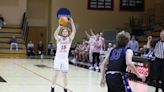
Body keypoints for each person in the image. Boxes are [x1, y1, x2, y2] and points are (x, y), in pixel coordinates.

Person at [51, 17, 76, 92]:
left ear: (68, 33)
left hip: (65, 59)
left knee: (65, 75)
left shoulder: (69, 39)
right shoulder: (59, 38)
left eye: (66, 31)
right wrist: (60, 25)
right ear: (62, 33)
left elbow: (74, 31)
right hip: (58, 58)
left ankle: (65, 88)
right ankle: (52, 87)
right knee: (56, 74)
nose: (65, 32)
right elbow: (55, 34)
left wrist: (72, 22)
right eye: (63, 31)